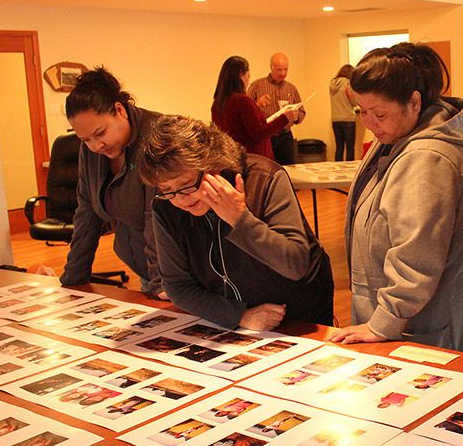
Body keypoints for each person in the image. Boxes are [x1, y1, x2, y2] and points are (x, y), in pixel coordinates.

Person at [329, 42, 463, 353]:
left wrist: (384, 322)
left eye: (379, 113)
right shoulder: (399, 134)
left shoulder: (429, 157)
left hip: (429, 327)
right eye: (362, 111)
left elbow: (416, 256)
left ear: (414, 102)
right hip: (419, 319)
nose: (368, 122)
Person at [137, 115, 333, 331]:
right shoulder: (165, 205)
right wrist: (240, 316)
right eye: (167, 190)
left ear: (214, 164)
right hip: (231, 325)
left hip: (301, 316)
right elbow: (177, 285)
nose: (180, 199)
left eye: (186, 184)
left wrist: (240, 219)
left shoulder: (263, 177)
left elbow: (295, 264)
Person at [60, 67, 164, 298]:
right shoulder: (91, 152)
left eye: (100, 133)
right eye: (85, 140)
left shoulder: (157, 138)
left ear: (119, 110)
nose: (96, 146)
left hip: (175, 276)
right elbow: (87, 212)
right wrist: (72, 280)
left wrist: (159, 285)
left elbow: (155, 220)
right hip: (146, 273)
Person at [210, 55, 302, 161]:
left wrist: (256, 106)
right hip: (252, 158)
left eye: (285, 69)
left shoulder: (218, 103)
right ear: (241, 75)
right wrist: (285, 118)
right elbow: (258, 133)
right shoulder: (243, 100)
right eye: (248, 76)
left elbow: (238, 124)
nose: (248, 80)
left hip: (232, 158)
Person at [247, 52, 305, 165]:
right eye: (279, 70)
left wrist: (295, 115)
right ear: (271, 67)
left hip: (286, 136)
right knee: (267, 169)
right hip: (267, 137)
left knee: (288, 170)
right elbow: (246, 110)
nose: (283, 73)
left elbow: (302, 111)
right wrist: (258, 104)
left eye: (285, 69)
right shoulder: (257, 85)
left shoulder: (291, 88)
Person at [329, 64, 359, 160]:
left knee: (339, 147)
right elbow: (354, 101)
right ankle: (349, 172)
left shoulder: (332, 84)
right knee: (350, 148)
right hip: (348, 119)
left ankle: (338, 170)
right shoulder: (347, 84)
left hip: (335, 119)